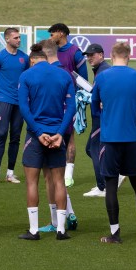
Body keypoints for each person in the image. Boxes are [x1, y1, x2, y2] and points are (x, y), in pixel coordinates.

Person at [91, 42, 136, 244]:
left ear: (111, 55)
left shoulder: (102, 76)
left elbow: (94, 105)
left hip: (110, 138)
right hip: (131, 138)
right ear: (128, 56)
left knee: (111, 185)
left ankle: (115, 233)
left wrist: (105, 108)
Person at [17, 39, 75, 241]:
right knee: (59, 182)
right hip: (57, 135)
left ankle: (34, 231)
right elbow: (72, 107)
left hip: (35, 136)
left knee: (32, 183)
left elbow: (24, 108)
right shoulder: (64, 75)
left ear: (33, 59)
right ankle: (60, 229)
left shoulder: (26, 75)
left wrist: (38, 131)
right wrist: (59, 133)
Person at [47, 23, 87, 188]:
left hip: (69, 101)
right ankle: (55, 170)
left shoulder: (75, 52)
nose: (50, 37)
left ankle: (68, 175)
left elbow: (82, 80)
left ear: (61, 33)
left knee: (69, 137)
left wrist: (77, 102)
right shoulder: (51, 51)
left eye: (52, 33)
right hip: (52, 100)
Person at [0, 27, 27, 185]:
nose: (19, 40)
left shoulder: (24, 58)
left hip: (20, 101)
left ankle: (10, 173)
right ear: (7, 39)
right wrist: (0, 90)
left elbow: (27, 76)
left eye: (19, 37)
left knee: (15, 136)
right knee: (2, 133)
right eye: (16, 38)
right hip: (3, 100)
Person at [81, 43, 110, 198]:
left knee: (94, 149)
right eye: (88, 55)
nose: (89, 58)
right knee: (91, 149)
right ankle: (111, 176)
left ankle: (103, 186)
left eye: (92, 55)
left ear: (101, 55)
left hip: (101, 118)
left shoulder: (103, 71)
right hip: (100, 118)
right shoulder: (101, 70)